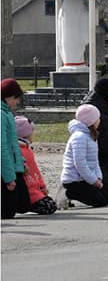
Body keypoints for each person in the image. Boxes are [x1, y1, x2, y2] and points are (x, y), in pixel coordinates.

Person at [60, 104, 108, 208]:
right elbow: (80, 163)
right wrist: (93, 180)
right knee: (100, 201)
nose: (99, 120)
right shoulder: (79, 137)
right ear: (91, 121)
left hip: (86, 178)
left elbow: (94, 161)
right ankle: (68, 193)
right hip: (74, 180)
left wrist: (98, 177)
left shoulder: (91, 136)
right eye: (97, 118)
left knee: (107, 197)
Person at [15, 116, 57, 214]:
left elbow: (35, 170)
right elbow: (34, 171)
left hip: (33, 189)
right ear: (26, 134)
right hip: (29, 190)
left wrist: (42, 187)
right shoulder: (22, 150)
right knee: (50, 206)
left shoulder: (26, 149)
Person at [1, 79, 30, 219]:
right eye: (16, 98)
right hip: (6, 169)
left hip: (13, 166)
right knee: (9, 211)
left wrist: (21, 162)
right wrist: (9, 178)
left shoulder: (6, 114)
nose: (17, 102)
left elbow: (13, 143)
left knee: (24, 203)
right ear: (8, 97)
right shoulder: (2, 115)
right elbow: (2, 149)